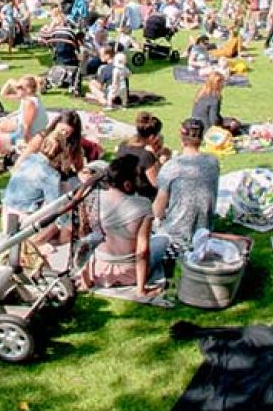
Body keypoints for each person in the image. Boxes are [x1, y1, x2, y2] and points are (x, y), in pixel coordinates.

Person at [148, 118, 220, 284]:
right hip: (204, 231)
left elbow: (158, 209)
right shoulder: (213, 162)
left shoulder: (172, 167)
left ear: (182, 137)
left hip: (176, 236)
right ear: (201, 138)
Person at [84, 153, 163, 295]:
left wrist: (86, 279)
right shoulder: (143, 205)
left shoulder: (93, 199)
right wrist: (140, 290)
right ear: (127, 184)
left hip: (98, 271)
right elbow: (143, 250)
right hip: (129, 273)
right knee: (162, 241)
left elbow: (82, 239)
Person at [116, 113, 171, 197]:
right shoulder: (146, 156)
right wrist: (163, 161)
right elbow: (157, 184)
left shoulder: (123, 145)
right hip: (141, 197)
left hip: (121, 191)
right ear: (152, 137)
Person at [0, 75, 48, 147]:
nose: (16, 89)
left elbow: (27, 127)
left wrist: (27, 144)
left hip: (31, 134)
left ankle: (4, 147)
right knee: (1, 123)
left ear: (28, 90)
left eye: (19, 87)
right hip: (29, 128)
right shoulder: (29, 97)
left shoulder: (29, 103)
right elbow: (3, 94)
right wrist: (9, 81)